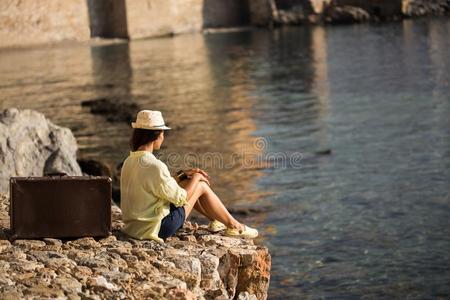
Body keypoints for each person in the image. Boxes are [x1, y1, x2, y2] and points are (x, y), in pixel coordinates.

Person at [120, 110, 258, 243]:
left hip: (134, 228)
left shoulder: (129, 161)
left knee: (188, 180)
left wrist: (182, 175)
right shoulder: (155, 165)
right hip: (157, 228)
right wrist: (197, 178)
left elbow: (158, 186)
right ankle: (235, 226)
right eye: (163, 133)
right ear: (157, 135)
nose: (163, 137)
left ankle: (216, 220)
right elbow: (181, 198)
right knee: (201, 186)